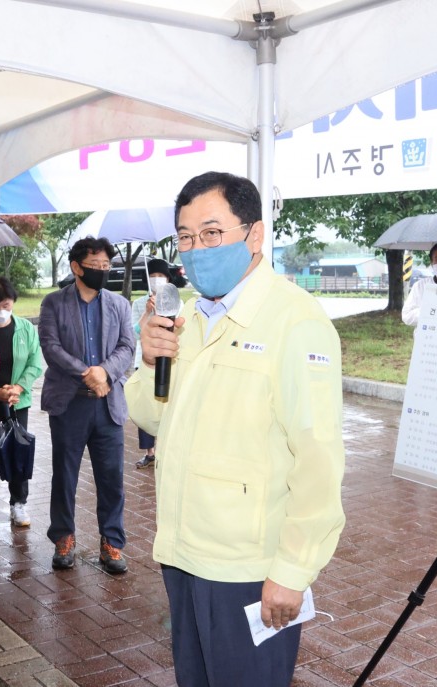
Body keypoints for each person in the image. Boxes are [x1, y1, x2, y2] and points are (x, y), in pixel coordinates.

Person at [125, 172, 346, 687]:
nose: (196, 249)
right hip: (183, 553)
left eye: (211, 232)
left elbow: (318, 458)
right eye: (184, 237)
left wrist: (294, 569)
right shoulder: (192, 319)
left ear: (255, 235)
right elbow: (156, 418)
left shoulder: (296, 322)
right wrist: (148, 359)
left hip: (248, 568)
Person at [39, 237, 135, 574]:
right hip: (70, 404)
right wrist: (86, 373)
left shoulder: (120, 305)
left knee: (111, 478)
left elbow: (127, 347)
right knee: (64, 476)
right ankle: (63, 538)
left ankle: (112, 543)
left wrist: (104, 373)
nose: (102, 272)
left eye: (107, 266)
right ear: (76, 267)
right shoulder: (53, 303)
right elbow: (50, 347)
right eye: (95, 266)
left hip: (108, 404)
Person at [0, 276, 43, 530]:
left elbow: (35, 362)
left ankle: (19, 502)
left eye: (6, 304)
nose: (1, 311)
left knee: (18, 451)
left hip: (18, 401)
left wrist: (17, 388)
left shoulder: (25, 328)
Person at [130, 258, 173, 470]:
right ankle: (149, 451)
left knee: (167, 404)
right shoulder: (139, 304)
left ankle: (167, 446)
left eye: (161, 276)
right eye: (153, 276)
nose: (157, 280)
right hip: (145, 361)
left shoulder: (176, 303)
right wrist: (148, 312)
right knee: (147, 404)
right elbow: (134, 333)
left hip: (169, 359)